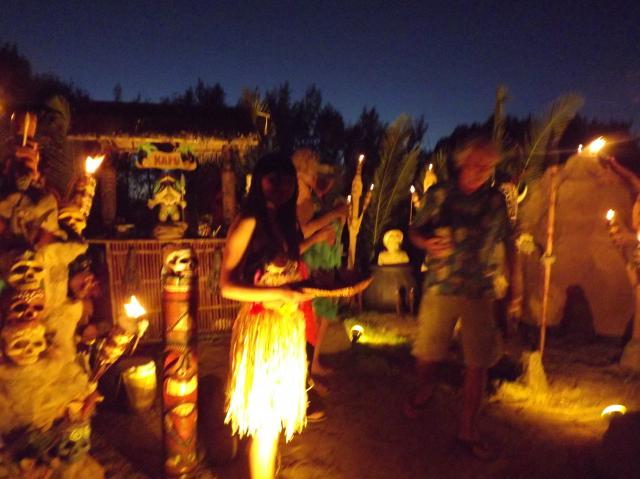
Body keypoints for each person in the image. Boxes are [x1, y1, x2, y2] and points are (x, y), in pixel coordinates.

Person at [406, 137, 522, 460]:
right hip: (440, 287)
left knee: (477, 361)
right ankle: (424, 388)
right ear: (461, 162)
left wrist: (516, 286)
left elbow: (509, 242)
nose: (482, 171)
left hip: (479, 291)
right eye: (477, 164)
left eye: (488, 166)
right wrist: (426, 243)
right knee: (427, 354)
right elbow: (415, 231)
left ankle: (467, 431)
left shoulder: (496, 201)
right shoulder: (439, 194)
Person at [220, 153, 313, 479]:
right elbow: (226, 287)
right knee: (265, 421)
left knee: (273, 421)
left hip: (287, 331)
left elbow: (288, 268)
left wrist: (300, 289)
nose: (281, 187)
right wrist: (280, 294)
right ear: (259, 181)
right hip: (261, 333)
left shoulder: (286, 222)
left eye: (287, 180)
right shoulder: (248, 222)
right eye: (273, 179)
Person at [293, 148, 348, 378]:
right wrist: (333, 215)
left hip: (319, 261)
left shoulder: (310, 198)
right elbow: (301, 233)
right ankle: (305, 369)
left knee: (321, 313)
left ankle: (312, 364)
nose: (315, 177)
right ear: (300, 174)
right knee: (309, 317)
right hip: (306, 264)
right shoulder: (300, 201)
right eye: (312, 173)